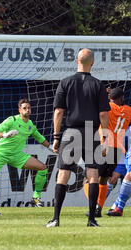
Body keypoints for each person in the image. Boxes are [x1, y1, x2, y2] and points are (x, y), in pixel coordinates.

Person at [47, 48, 110, 227]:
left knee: (63, 174)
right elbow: (104, 114)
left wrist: (56, 137)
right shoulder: (98, 85)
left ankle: (55, 219)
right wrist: (104, 136)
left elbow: (59, 111)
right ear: (92, 63)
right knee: (93, 175)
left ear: (77, 61)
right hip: (91, 131)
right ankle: (91, 219)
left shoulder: (65, 82)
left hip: (71, 131)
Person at [83, 87, 131, 218]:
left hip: (104, 146)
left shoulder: (107, 108)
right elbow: (130, 115)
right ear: (122, 98)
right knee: (103, 180)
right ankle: (98, 208)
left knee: (88, 178)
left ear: (110, 98)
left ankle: (93, 206)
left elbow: (97, 108)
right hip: (117, 149)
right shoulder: (129, 111)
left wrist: (106, 96)